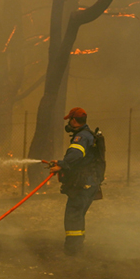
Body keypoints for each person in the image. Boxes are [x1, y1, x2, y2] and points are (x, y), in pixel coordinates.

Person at [48, 107, 101, 256]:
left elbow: (76, 154)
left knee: (73, 215)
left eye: (70, 120)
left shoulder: (81, 137)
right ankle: (77, 247)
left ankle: (72, 251)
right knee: (78, 215)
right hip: (90, 183)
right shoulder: (89, 135)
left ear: (73, 120)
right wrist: (60, 162)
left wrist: (62, 164)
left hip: (82, 185)